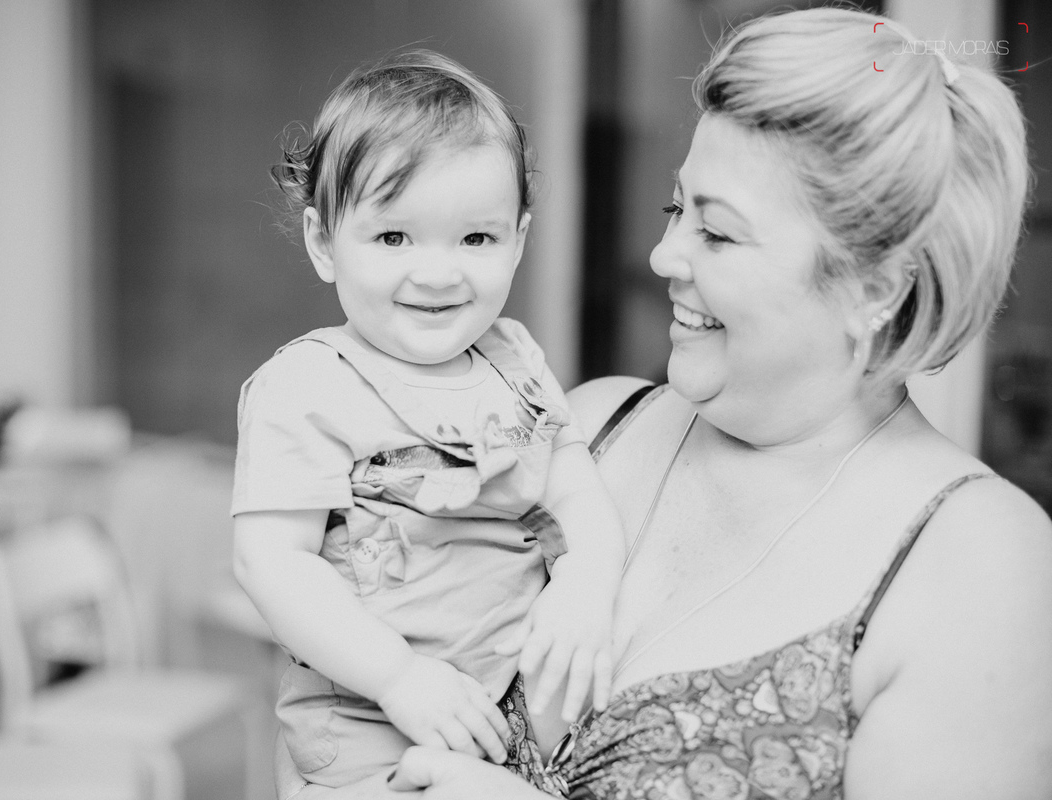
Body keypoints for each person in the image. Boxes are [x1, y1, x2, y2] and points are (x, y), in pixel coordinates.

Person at [277, 7, 1052, 799]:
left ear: (875, 289)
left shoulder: (982, 564)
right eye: (673, 210)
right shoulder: (587, 426)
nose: (662, 255)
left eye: (716, 233)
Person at [231, 50, 625, 790]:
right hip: (367, 726)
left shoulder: (514, 359)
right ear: (324, 242)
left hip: (505, 714)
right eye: (393, 238)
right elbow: (271, 563)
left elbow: (575, 489)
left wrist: (587, 582)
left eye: (476, 238)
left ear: (519, 237)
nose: (438, 273)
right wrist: (398, 676)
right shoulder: (308, 385)